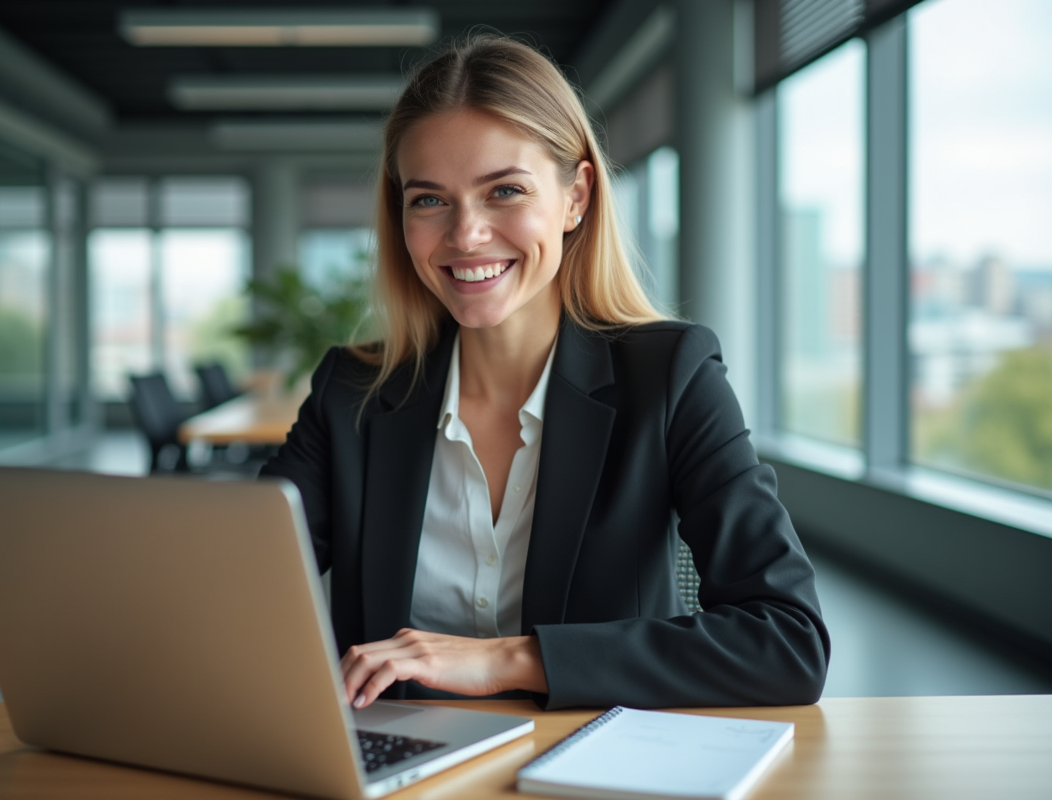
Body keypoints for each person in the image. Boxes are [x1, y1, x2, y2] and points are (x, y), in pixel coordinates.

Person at [260, 34, 830, 711]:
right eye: (429, 200)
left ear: (576, 196)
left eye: (504, 190)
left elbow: (788, 641)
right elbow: (240, 587)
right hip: (396, 771)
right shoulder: (351, 393)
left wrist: (510, 659)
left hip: (591, 764)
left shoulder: (671, 377)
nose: (465, 235)